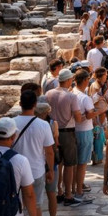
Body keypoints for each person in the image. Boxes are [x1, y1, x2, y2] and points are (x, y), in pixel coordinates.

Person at [12, 87, 55, 216]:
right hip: (36, 171)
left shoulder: (12, 123)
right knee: (36, 205)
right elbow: (49, 151)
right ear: (35, 105)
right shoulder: (43, 125)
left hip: (15, 171)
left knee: (18, 206)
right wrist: (50, 170)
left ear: (20, 103)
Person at [45, 69, 84, 207]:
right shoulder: (71, 96)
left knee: (58, 163)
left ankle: (59, 191)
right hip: (67, 132)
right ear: (68, 80)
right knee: (69, 164)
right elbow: (78, 118)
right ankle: (68, 194)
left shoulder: (48, 94)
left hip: (51, 133)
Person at [34, 101, 60, 216]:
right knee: (51, 194)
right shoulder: (51, 124)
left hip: (35, 164)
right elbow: (54, 144)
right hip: (49, 163)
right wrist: (50, 169)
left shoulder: (32, 125)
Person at [71, 69, 97, 201]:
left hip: (73, 131)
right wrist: (99, 111)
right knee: (82, 164)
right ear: (85, 80)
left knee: (74, 163)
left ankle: (74, 188)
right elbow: (90, 114)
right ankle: (79, 191)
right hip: (85, 131)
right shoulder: (85, 98)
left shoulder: (72, 94)